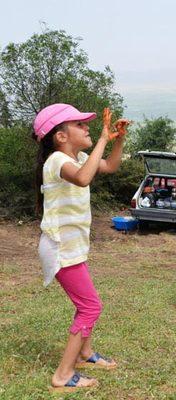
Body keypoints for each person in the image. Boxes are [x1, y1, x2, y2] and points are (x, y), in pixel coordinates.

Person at [34, 104, 128, 392]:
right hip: (60, 247)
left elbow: (109, 167)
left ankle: (85, 354)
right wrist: (102, 139)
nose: (87, 128)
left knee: (84, 303)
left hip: (73, 245)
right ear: (61, 136)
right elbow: (83, 177)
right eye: (80, 125)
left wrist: (118, 139)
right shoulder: (56, 161)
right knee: (90, 307)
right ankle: (62, 375)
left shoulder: (80, 157)